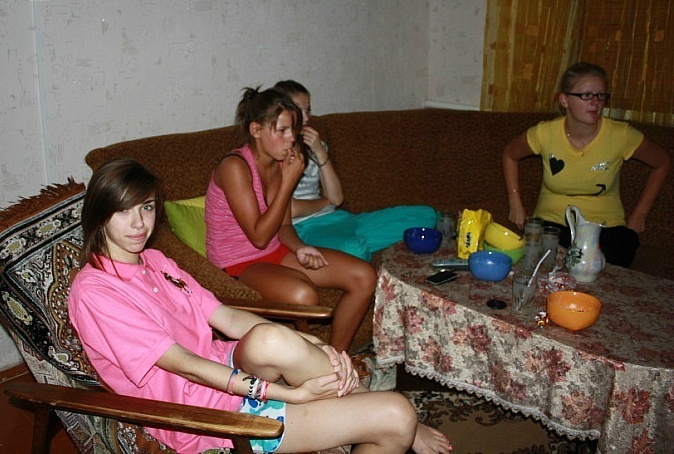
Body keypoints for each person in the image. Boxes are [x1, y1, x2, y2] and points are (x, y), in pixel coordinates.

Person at [69, 158, 452, 454]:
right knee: (398, 415)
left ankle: (363, 399)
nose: (139, 224)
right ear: (99, 214)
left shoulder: (154, 261)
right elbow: (186, 365)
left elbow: (224, 316)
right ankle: (387, 417)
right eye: (123, 211)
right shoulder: (95, 292)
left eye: (147, 207)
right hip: (203, 411)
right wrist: (285, 394)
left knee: (271, 338)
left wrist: (316, 345)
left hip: (224, 366)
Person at [205, 87, 377, 354]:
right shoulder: (234, 167)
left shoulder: (279, 162)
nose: (291, 139)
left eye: (293, 131)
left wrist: (300, 248)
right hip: (237, 262)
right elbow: (259, 237)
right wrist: (288, 182)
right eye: (282, 131)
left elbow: (283, 226)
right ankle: (316, 363)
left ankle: (335, 361)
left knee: (364, 276)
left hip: (274, 250)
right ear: (256, 129)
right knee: (304, 295)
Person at [502, 62, 670, 267]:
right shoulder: (544, 133)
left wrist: (640, 214)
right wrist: (515, 202)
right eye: (586, 95)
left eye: (601, 95)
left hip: (605, 228)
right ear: (564, 100)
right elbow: (510, 154)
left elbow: (662, 162)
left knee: (608, 262)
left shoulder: (622, 135)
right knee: (545, 259)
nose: (595, 102)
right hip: (553, 225)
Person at [273, 80, 438, 262]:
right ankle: (350, 248)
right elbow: (292, 210)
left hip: (337, 218)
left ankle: (346, 248)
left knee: (426, 216)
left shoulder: (316, 146)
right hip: (304, 228)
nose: (306, 119)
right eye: (300, 110)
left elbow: (337, 199)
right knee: (355, 248)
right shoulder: (275, 152)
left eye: (308, 110)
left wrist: (320, 152)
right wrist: (325, 201)